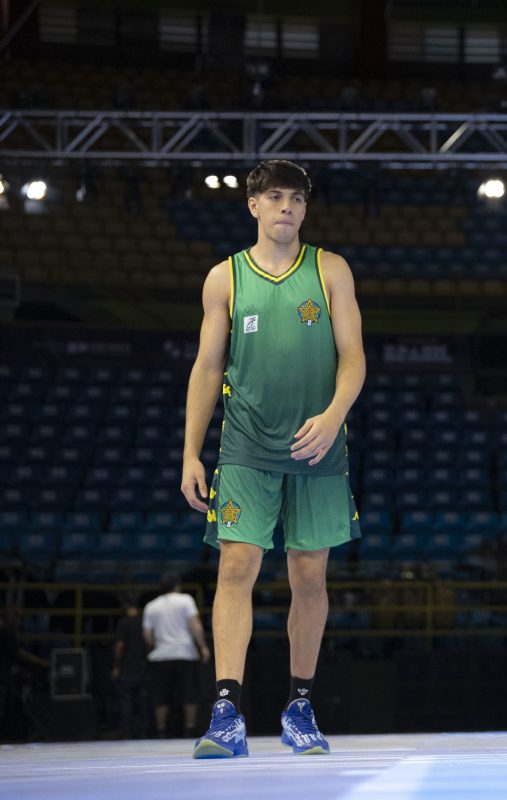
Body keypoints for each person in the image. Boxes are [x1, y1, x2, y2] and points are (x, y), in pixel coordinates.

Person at [180, 159, 366, 759]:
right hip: (245, 446)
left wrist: (333, 415)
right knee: (236, 567)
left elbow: (353, 357)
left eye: (297, 198)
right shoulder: (224, 278)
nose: (287, 206)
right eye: (275, 196)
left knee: (309, 576)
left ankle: (300, 706)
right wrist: (190, 452)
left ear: (306, 208)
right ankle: (226, 711)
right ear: (253, 205)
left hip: (318, 446)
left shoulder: (331, 269)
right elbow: (208, 367)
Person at [143, 574, 209, 738]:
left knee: (160, 695)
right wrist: (202, 646)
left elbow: (147, 634)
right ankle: (190, 729)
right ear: (177, 586)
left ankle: (160, 729)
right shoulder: (186, 600)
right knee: (189, 693)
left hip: (160, 656)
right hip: (184, 653)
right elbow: (194, 624)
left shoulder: (151, 606)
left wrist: (154, 647)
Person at [111, 593, 148, 738]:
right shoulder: (144, 622)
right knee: (142, 700)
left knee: (126, 700)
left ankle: (126, 731)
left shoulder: (123, 623)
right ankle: (143, 731)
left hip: (127, 667)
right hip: (142, 666)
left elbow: (119, 646)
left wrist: (116, 666)